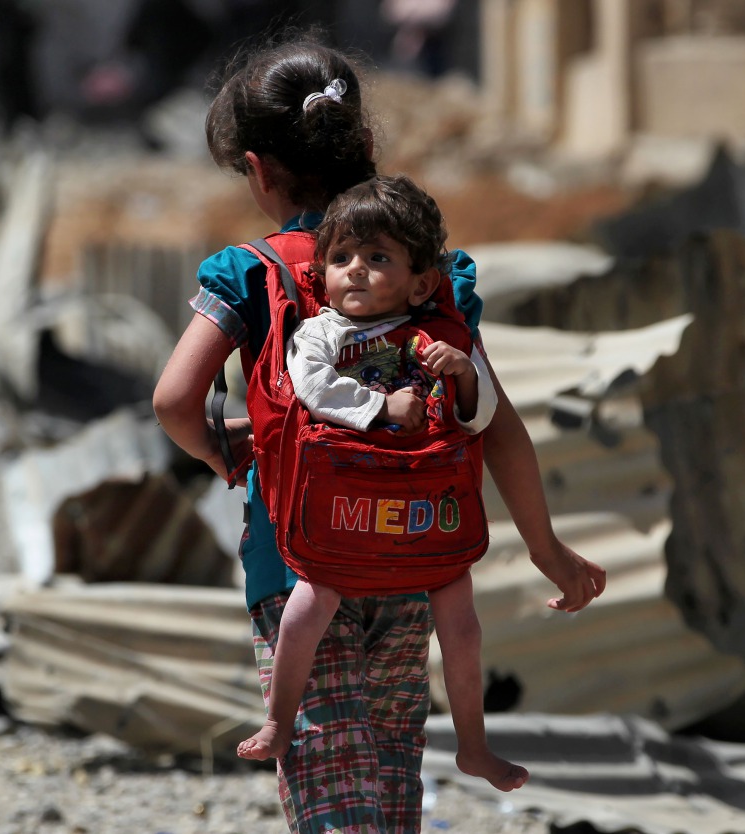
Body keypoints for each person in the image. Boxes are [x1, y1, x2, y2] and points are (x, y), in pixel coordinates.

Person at [152, 31, 606, 833]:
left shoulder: (250, 272)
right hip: (414, 548)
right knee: (392, 758)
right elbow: (494, 423)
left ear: (257, 170)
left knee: (327, 768)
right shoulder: (428, 277)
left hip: (298, 559)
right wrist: (547, 549)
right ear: (363, 144)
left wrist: (222, 449)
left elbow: (173, 401)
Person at [235, 173, 527, 795]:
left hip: (421, 510)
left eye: (377, 258)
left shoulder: (438, 339)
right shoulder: (320, 334)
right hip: (345, 510)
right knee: (305, 609)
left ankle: (474, 746)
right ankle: (281, 722)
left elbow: (478, 418)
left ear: (421, 282)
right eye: (340, 258)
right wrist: (381, 408)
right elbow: (312, 386)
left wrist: (463, 378)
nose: (356, 271)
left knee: (463, 623)